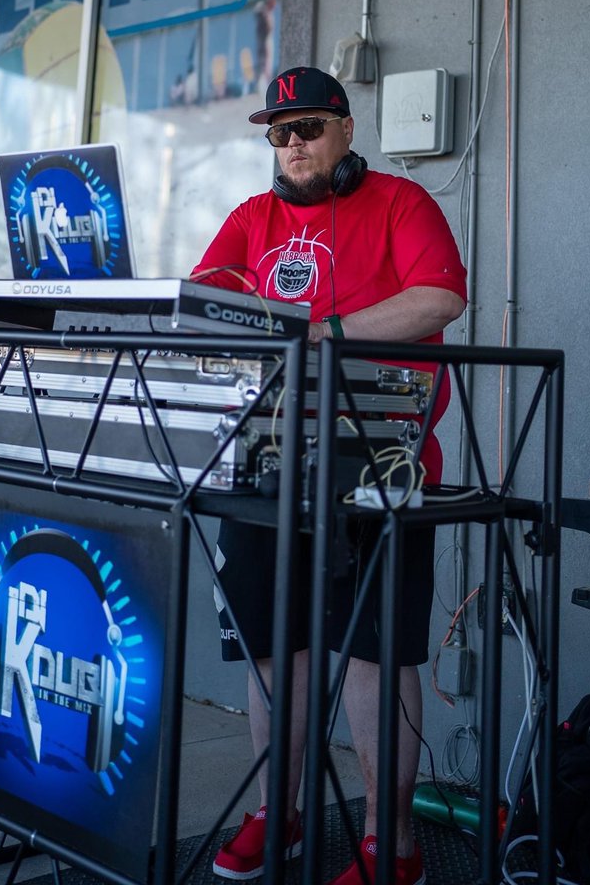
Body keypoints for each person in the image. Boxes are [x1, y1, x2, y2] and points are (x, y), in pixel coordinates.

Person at [191, 65, 467, 885]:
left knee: (377, 654)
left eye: (309, 126)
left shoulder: (402, 203)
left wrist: (321, 333)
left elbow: (439, 299)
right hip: (267, 461)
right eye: (279, 132)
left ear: (346, 130)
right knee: (278, 650)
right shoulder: (252, 216)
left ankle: (393, 844)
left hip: (382, 462)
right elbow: (206, 297)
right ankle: (282, 812)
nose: (294, 144)